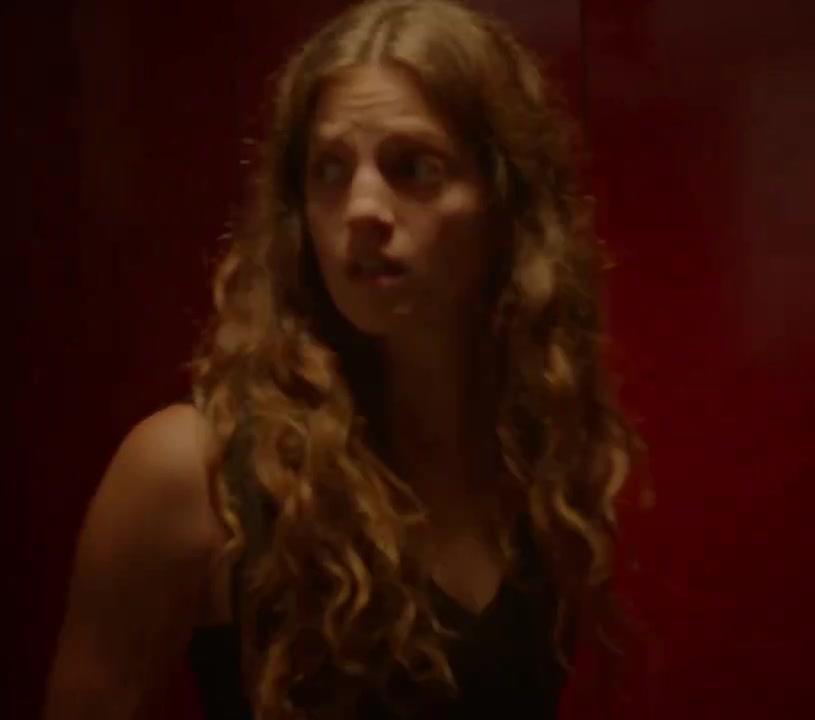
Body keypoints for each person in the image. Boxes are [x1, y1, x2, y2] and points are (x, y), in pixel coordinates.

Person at [43, 1, 641, 717]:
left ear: (502, 205)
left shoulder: (537, 459)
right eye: (329, 170)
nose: (361, 208)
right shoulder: (194, 474)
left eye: (413, 167)